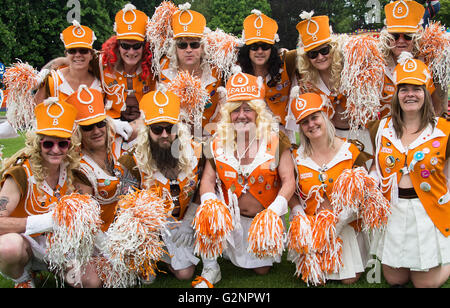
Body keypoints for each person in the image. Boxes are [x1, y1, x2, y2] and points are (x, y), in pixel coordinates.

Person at [194, 69, 295, 288]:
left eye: (248, 109)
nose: (241, 115)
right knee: (208, 210)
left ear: (258, 112)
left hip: (262, 222)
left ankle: (245, 249)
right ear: (228, 114)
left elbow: (289, 181)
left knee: (262, 270)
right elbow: (207, 182)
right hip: (229, 221)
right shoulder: (216, 142)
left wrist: (273, 212)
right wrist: (211, 203)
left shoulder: (277, 140)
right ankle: (211, 268)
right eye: (235, 110)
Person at [369, 54, 450, 288]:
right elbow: (377, 164)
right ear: (396, 95)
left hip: (427, 211)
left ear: (426, 93)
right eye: (404, 89)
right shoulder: (382, 127)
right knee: (396, 279)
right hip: (393, 209)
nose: (410, 94)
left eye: (417, 89)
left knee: (425, 284)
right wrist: (372, 182)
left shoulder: (443, 130)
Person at [287, 89, 372, 285]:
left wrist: (340, 221)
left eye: (315, 117)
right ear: (300, 127)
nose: (311, 125)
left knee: (349, 279)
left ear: (325, 116)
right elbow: (291, 190)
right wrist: (299, 213)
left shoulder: (351, 151)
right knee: (315, 280)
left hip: (346, 225)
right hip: (313, 228)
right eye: (305, 122)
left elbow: (366, 192)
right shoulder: (297, 157)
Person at [0, 98, 86, 288]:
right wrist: (45, 222)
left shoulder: (74, 171)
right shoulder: (20, 173)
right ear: (38, 143)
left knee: (90, 282)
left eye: (62, 144)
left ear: (69, 145)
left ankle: (57, 270)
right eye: (48, 144)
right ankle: (23, 279)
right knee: (8, 247)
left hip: (62, 248)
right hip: (27, 247)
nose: (55, 150)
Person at [119, 87, 203, 282]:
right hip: (149, 230)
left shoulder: (197, 153)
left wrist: (189, 222)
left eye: (170, 128)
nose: (165, 134)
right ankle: (154, 256)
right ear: (147, 130)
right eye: (157, 129)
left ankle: (172, 257)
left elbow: (203, 191)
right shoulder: (131, 162)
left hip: (184, 225)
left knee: (185, 274)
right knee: (147, 279)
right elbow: (125, 210)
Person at [66, 86, 136, 232]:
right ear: (78, 132)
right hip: (103, 238)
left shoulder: (119, 143)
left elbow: (150, 126)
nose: (96, 131)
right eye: (88, 127)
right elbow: (87, 220)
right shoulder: (79, 167)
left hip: (134, 229)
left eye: (100, 124)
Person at [152, 2, 225, 130]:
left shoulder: (217, 72)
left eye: (194, 44)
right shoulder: (161, 70)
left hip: (211, 135)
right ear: (175, 48)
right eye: (182, 45)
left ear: (203, 48)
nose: (189, 49)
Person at [379, 0, 447, 117]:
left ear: (415, 38)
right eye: (395, 36)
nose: (401, 41)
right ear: (387, 38)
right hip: (386, 131)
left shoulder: (428, 62)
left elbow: (439, 108)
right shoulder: (376, 64)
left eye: (407, 36)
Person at [237, 9, 296, 130]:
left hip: (281, 131)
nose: (259, 51)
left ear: (272, 49)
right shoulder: (237, 70)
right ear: (247, 50)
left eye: (265, 47)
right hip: (250, 132)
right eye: (254, 47)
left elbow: (311, 52)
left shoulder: (286, 62)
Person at [100, 3, 156, 130]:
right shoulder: (102, 64)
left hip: (145, 126)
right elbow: (76, 58)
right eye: (125, 46)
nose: (131, 52)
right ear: (117, 46)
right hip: (111, 125)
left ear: (144, 47)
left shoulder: (154, 67)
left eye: (136, 46)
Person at [34, 20, 101, 105]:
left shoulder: (100, 83)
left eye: (83, 51)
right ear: (66, 54)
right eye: (72, 51)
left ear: (91, 54)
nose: (78, 55)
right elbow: (34, 112)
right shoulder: (53, 80)